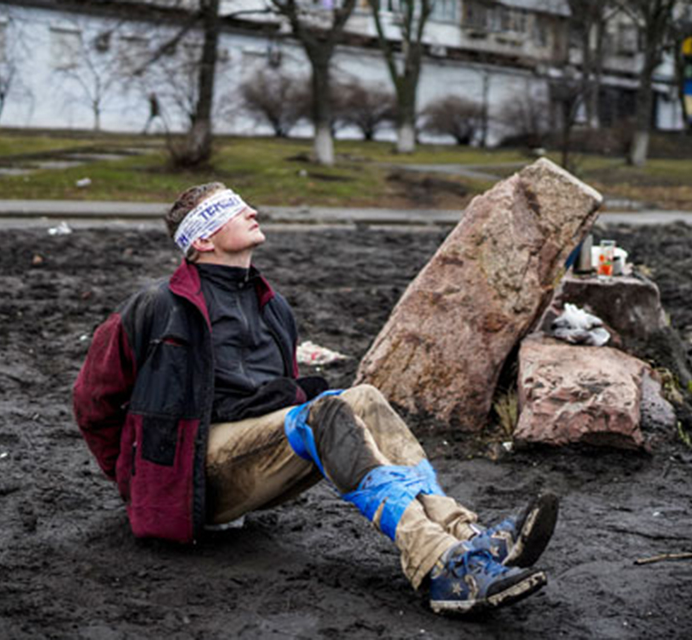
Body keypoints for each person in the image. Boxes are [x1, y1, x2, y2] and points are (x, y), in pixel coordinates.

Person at [73, 182, 558, 615]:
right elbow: (92, 401)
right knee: (324, 411)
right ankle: (440, 563)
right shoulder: (156, 306)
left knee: (363, 396)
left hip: (252, 458)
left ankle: (467, 537)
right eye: (231, 208)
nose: (251, 210)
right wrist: (139, 482)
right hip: (194, 473)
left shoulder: (272, 307)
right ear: (201, 240)